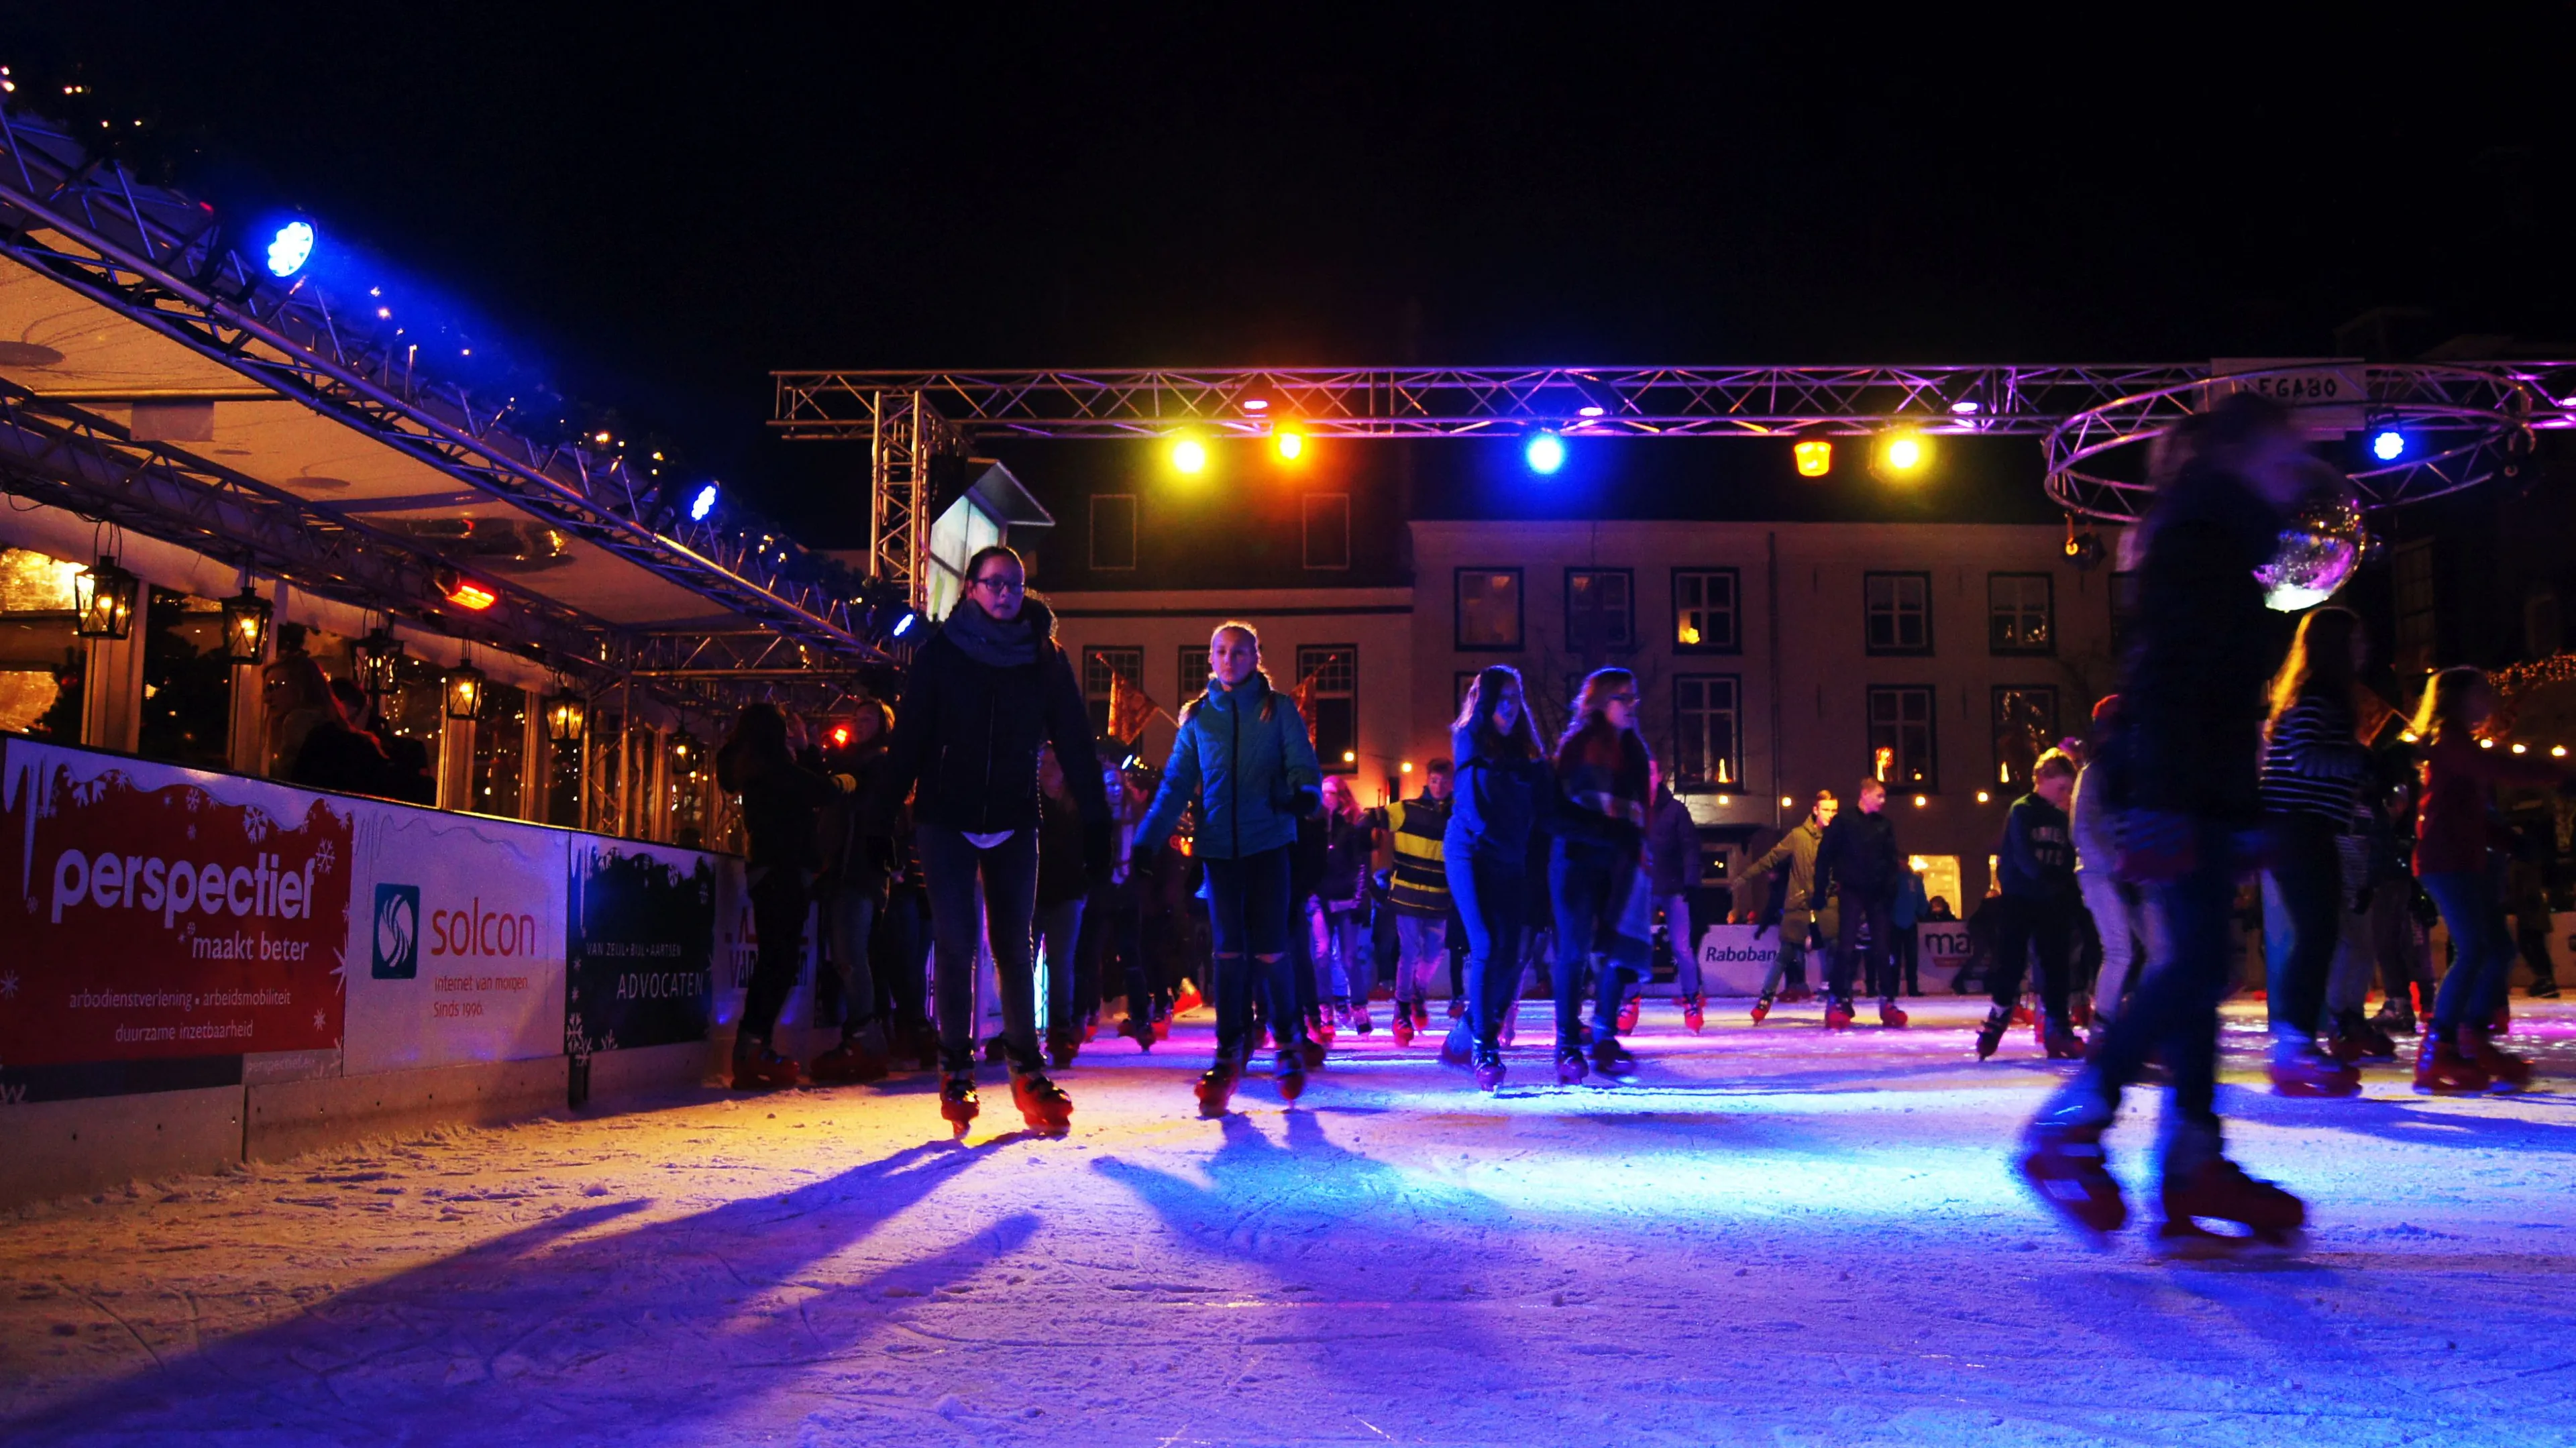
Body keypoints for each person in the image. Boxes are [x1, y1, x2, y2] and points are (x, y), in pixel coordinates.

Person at [2018, 392, 2335, 1256]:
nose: (2292, 476)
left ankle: (2192, 1160)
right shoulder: (2205, 536)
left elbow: (2212, 682)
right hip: (2181, 779)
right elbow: (2184, 675)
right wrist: (2186, 801)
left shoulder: (2211, 533)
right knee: (2195, 962)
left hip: (2193, 776)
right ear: (2235, 456)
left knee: (2199, 968)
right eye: (2281, 458)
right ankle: (2074, 1122)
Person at [867, 545, 1110, 1138]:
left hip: (1012, 816)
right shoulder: (940, 656)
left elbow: (1076, 742)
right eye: (994, 582)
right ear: (970, 588)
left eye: (1015, 584)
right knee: (954, 942)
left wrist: (1097, 821)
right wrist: (878, 819)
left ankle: (1027, 1068)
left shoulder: (1044, 660)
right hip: (945, 816)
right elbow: (911, 744)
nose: (1005, 593)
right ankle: (955, 1066)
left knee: (1014, 945)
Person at [1135, 622, 1325, 1116]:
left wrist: (1302, 791)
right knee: (1227, 951)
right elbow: (1175, 784)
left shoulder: (1279, 709)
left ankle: (1286, 1041)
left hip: (1268, 844)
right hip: (1219, 851)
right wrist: (1146, 841)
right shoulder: (1199, 719)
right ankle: (1227, 1051)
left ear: (1256, 656)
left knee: (1268, 948)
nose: (1230, 659)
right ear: (1211, 658)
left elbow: (1302, 762)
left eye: (1240, 651)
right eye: (1221, 651)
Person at [2406, 667, 2567, 1093]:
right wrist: (2560, 773)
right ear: (2457, 698)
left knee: (2496, 947)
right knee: (2477, 947)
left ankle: (2473, 1037)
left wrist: (2512, 841)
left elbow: (2470, 814)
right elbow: (2494, 767)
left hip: (2464, 860)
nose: (2491, 699)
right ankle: (2438, 1047)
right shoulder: (2451, 741)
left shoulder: (2459, 743)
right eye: (2484, 691)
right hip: (2446, 862)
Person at [2247, 606, 2376, 1096]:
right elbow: (2306, 759)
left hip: (2300, 827)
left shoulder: (2317, 697)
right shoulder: (2318, 697)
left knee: (2318, 932)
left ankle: (2297, 1042)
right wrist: (2360, 761)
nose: (2365, 648)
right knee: (2317, 932)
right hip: (2297, 826)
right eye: (2357, 639)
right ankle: (2294, 1044)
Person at [715, 704, 855, 1091]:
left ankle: (754, 1044)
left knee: (775, 960)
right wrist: (839, 774)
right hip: (785, 870)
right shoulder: (776, 771)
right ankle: (752, 1045)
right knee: (779, 961)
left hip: (767, 869)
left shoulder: (751, 769)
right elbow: (822, 789)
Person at [1441, 665, 1555, 1090]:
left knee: (1512, 956)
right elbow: (1471, 802)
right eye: (1500, 698)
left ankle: (1467, 1028)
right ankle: (1484, 1046)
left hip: (1509, 857)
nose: (1508, 707)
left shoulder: (1529, 752)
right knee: (1487, 944)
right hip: (1469, 851)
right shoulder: (1469, 736)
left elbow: (1549, 807)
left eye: (1514, 698)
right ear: (1485, 700)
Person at [1548, 669, 1656, 1083]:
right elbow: (1561, 809)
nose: (1632, 706)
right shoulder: (1578, 747)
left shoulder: (1634, 749)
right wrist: (1601, 831)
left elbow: (1638, 809)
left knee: (1616, 947)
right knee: (1574, 951)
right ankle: (1567, 1044)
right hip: (1575, 859)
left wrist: (1638, 846)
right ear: (1602, 701)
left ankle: (1605, 1036)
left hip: (1619, 861)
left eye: (1633, 698)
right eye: (1624, 698)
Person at [1979, 752, 2082, 1059]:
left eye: (2069, 789)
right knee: (2011, 960)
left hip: (2052, 900)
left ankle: (2058, 1026)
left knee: (2056, 964)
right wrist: (2045, 878)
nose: (2065, 795)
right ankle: (1998, 1017)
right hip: (2020, 898)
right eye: (2061, 787)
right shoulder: (2022, 810)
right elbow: (2022, 855)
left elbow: (2066, 855)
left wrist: (2063, 884)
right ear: (2044, 779)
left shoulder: (2061, 818)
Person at [814, 700, 896, 1084]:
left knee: (851, 954)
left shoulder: (876, 764)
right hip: (850, 869)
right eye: (858, 719)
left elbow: (869, 813)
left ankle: (864, 1035)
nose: (861, 725)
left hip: (858, 871)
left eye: (869, 720)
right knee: (851, 954)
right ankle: (866, 1033)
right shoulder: (859, 762)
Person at [2071, 695, 2149, 1034]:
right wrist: (2117, 866)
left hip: (2124, 872)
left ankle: (2135, 1019)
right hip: (2103, 874)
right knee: (2119, 951)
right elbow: (2083, 831)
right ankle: (2104, 1028)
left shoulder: (2121, 773)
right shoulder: (2095, 774)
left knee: (2160, 951)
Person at [1365, 759, 1454, 1044]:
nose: (1439, 786)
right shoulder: (1407, 810)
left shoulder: (1457, 815)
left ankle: (1417, 992)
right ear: (1428, 781)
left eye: (1444, 781)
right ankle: (1402, 1008)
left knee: (1433, 954)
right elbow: (1373, 818)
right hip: (1408, 895)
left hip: (1438, 896)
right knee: (1410, 951)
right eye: (1435, 780)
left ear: (1451, 783)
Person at [1815, 777, 1909, 1029]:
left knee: (1882, 948)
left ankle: (1887, 1000)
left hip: (1878, 894)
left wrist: (1891, 889)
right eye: (1878, 796)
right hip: (1852, 891)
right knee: (1846, 946)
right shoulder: (1844, 822)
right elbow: (1825, 855)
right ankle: (1839, 999)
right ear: (1865, 794)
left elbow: (1891, 860)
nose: (1883, 801)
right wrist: (1819, 889)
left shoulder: (1884, 825)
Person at [1737, 791, 1837, 1021]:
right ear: (1815, 811)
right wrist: (1745, 876)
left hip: (1826, 903)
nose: (1830, 815)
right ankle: (1765, 998)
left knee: (1836, 947)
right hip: (1799, 902)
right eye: (1826, 810)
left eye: (1834, 811)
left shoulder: (1836, 838)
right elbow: (1771, 857)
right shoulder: (1798, 836)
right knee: (1786, 954)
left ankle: (1837, 999)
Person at [1642, 765, 1705, 1032]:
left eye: (1651, 773)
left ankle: (1692, 998)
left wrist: (1691, 882)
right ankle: (1629, 1000)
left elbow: (1690, 848)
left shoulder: (1677, 811)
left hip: (1675, 886)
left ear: (1659, 778)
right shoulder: (1634, 810)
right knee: (1636, 945)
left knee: (1682, 947)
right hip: (1644, 886)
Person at [1314, 775, 1377, 1032]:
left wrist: (1359, 900)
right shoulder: (1315, 825)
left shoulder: (1354, 827)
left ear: (1341, 796)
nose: (1325, 798)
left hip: (1347, 898)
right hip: (1321, 897)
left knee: (1350, 956)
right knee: (1321, 953)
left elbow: (1362, 866)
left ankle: (1359, 1007)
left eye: (1331, 793)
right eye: (1323, 793)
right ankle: (1324, 1007)